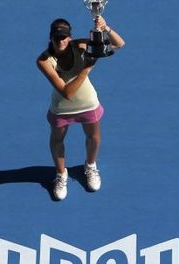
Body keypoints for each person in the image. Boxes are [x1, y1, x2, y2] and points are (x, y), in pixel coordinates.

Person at [36, 16, 125, 200]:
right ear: (50, 37)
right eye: (56, 37)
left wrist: (105, 28)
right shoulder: (44, 60)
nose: (60, 41)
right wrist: (86, 69)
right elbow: (67, 93)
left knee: (93, 136)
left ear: (69, 37)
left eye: (64, 37)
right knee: (57, 140)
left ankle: (90, 166)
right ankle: (61, 174)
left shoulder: (82, 46)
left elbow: (118, 44)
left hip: (88, 103)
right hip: (61, 108)